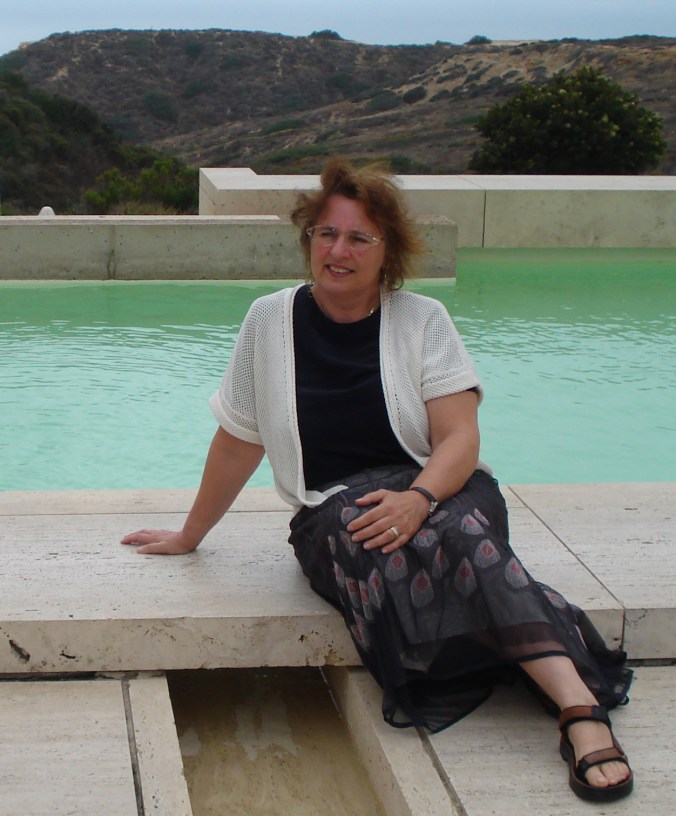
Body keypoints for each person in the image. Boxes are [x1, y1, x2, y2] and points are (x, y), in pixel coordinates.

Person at [122, 157, 633, 802]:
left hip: (439, 485)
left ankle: (579, 710)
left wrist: (419, 498)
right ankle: (543, 652)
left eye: (359, 237)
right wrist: (189, 535)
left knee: (458, 532)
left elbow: (459, 440)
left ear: (388, 249)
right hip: (334, 509)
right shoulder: (268, 321)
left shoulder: (423, 319)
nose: (339, 251)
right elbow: (238, 439)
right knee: (382, 542)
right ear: (309, 239)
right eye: (327, 234)